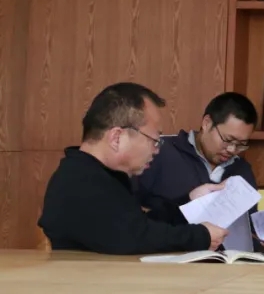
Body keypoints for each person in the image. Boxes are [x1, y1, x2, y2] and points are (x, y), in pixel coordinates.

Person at [38, 82, 229, 255]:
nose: (156, 150)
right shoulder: (80, 182)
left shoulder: (97, 175)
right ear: (116, 138)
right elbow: (134, 237)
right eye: (154, 140)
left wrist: (190, 201)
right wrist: (201, 236)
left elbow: (141, 225)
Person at [133, 92, 264, 252]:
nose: (232, 149)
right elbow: (132, 218)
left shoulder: (242, 170)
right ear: (207, 123)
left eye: (241, 144)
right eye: (228, 140)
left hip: (226, 263)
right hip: (166, 259)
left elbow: (247, 231)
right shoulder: (159, 153)